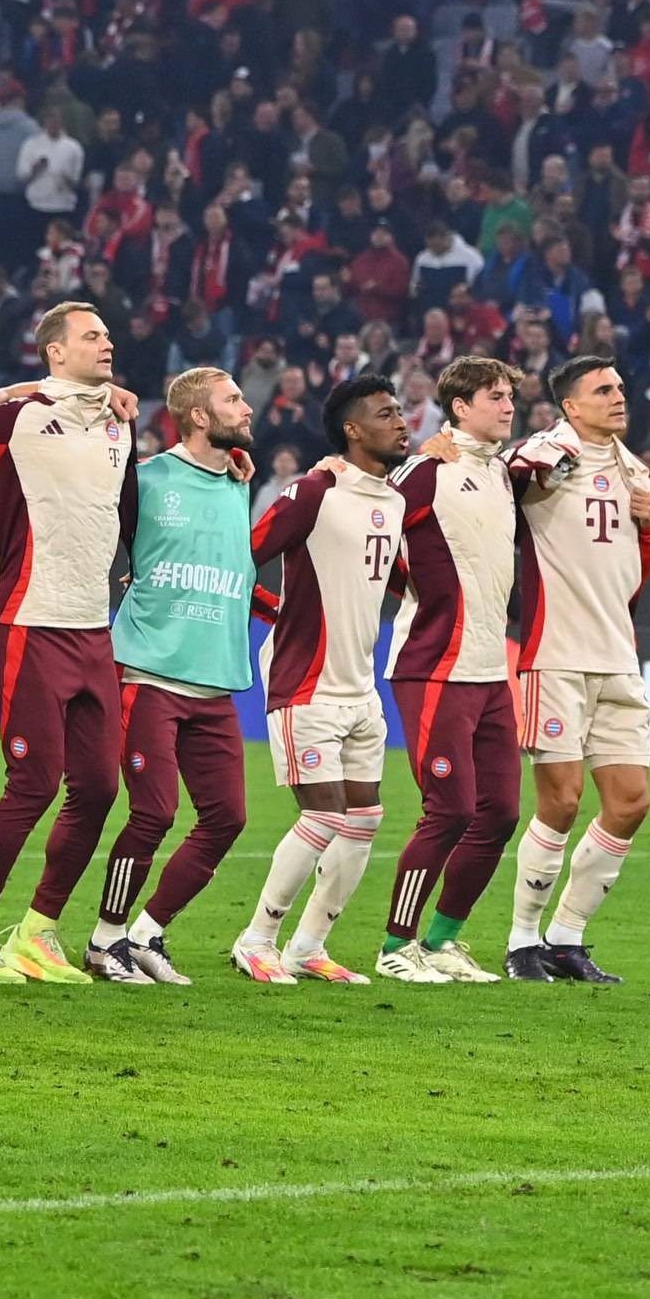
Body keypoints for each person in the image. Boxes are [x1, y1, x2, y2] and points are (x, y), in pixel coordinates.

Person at [0, 301, 141, 986]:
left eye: (108, 334)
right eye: (92, 335)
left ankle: (37, 932)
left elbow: (122, 507)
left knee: (96, 787)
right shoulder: (14, 415)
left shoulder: (119, 421)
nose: (107, 342)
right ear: (54, 351)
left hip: (94, 627)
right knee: (32, 783)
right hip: (29, 621)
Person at [82, 366, 260, 986]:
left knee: (228, 818)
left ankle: (147, 932)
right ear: (200, 417)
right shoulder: (148, 479)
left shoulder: (240, 483)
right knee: (153, 813)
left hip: (214, 683)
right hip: (149, 674)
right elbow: (95, 541)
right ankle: (104, 943)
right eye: (233, 400)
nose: (247, 408)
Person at [235, 374, 412, 984]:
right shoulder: (314, 490)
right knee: (324, 816)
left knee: (363, 820)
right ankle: (256, 938)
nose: (402, 421)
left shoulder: (393, 501)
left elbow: (400, 581)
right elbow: (242, 553)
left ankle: (308, 946)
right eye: (386, 413)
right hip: (305, 683)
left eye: (401, 410)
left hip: (362, 686)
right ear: (353, 429)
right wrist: (275, 612)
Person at [502, 356, 650, 983]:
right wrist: (536, 469)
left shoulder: (632, 466)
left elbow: (633, 568)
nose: (619, 396)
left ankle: (567, 938)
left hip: (618, 655)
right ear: (571, 405)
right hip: (557, 655)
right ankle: (521, 943)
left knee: (630, 802)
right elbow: (509, 476)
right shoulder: (546, 451)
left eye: (621, 386)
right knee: (561, 801)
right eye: (603, 389)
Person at [377, 355, 526, 984]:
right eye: (496, 396)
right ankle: (395, 946)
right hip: (435, 664)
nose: (508, 405)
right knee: (451, 809)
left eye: (510, 396)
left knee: (499, 813)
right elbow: (367, 520)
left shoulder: (501, 474)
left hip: (492, 668)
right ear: (460, 406)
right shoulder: (426, 470)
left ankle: (443, 942)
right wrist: (411, 592)